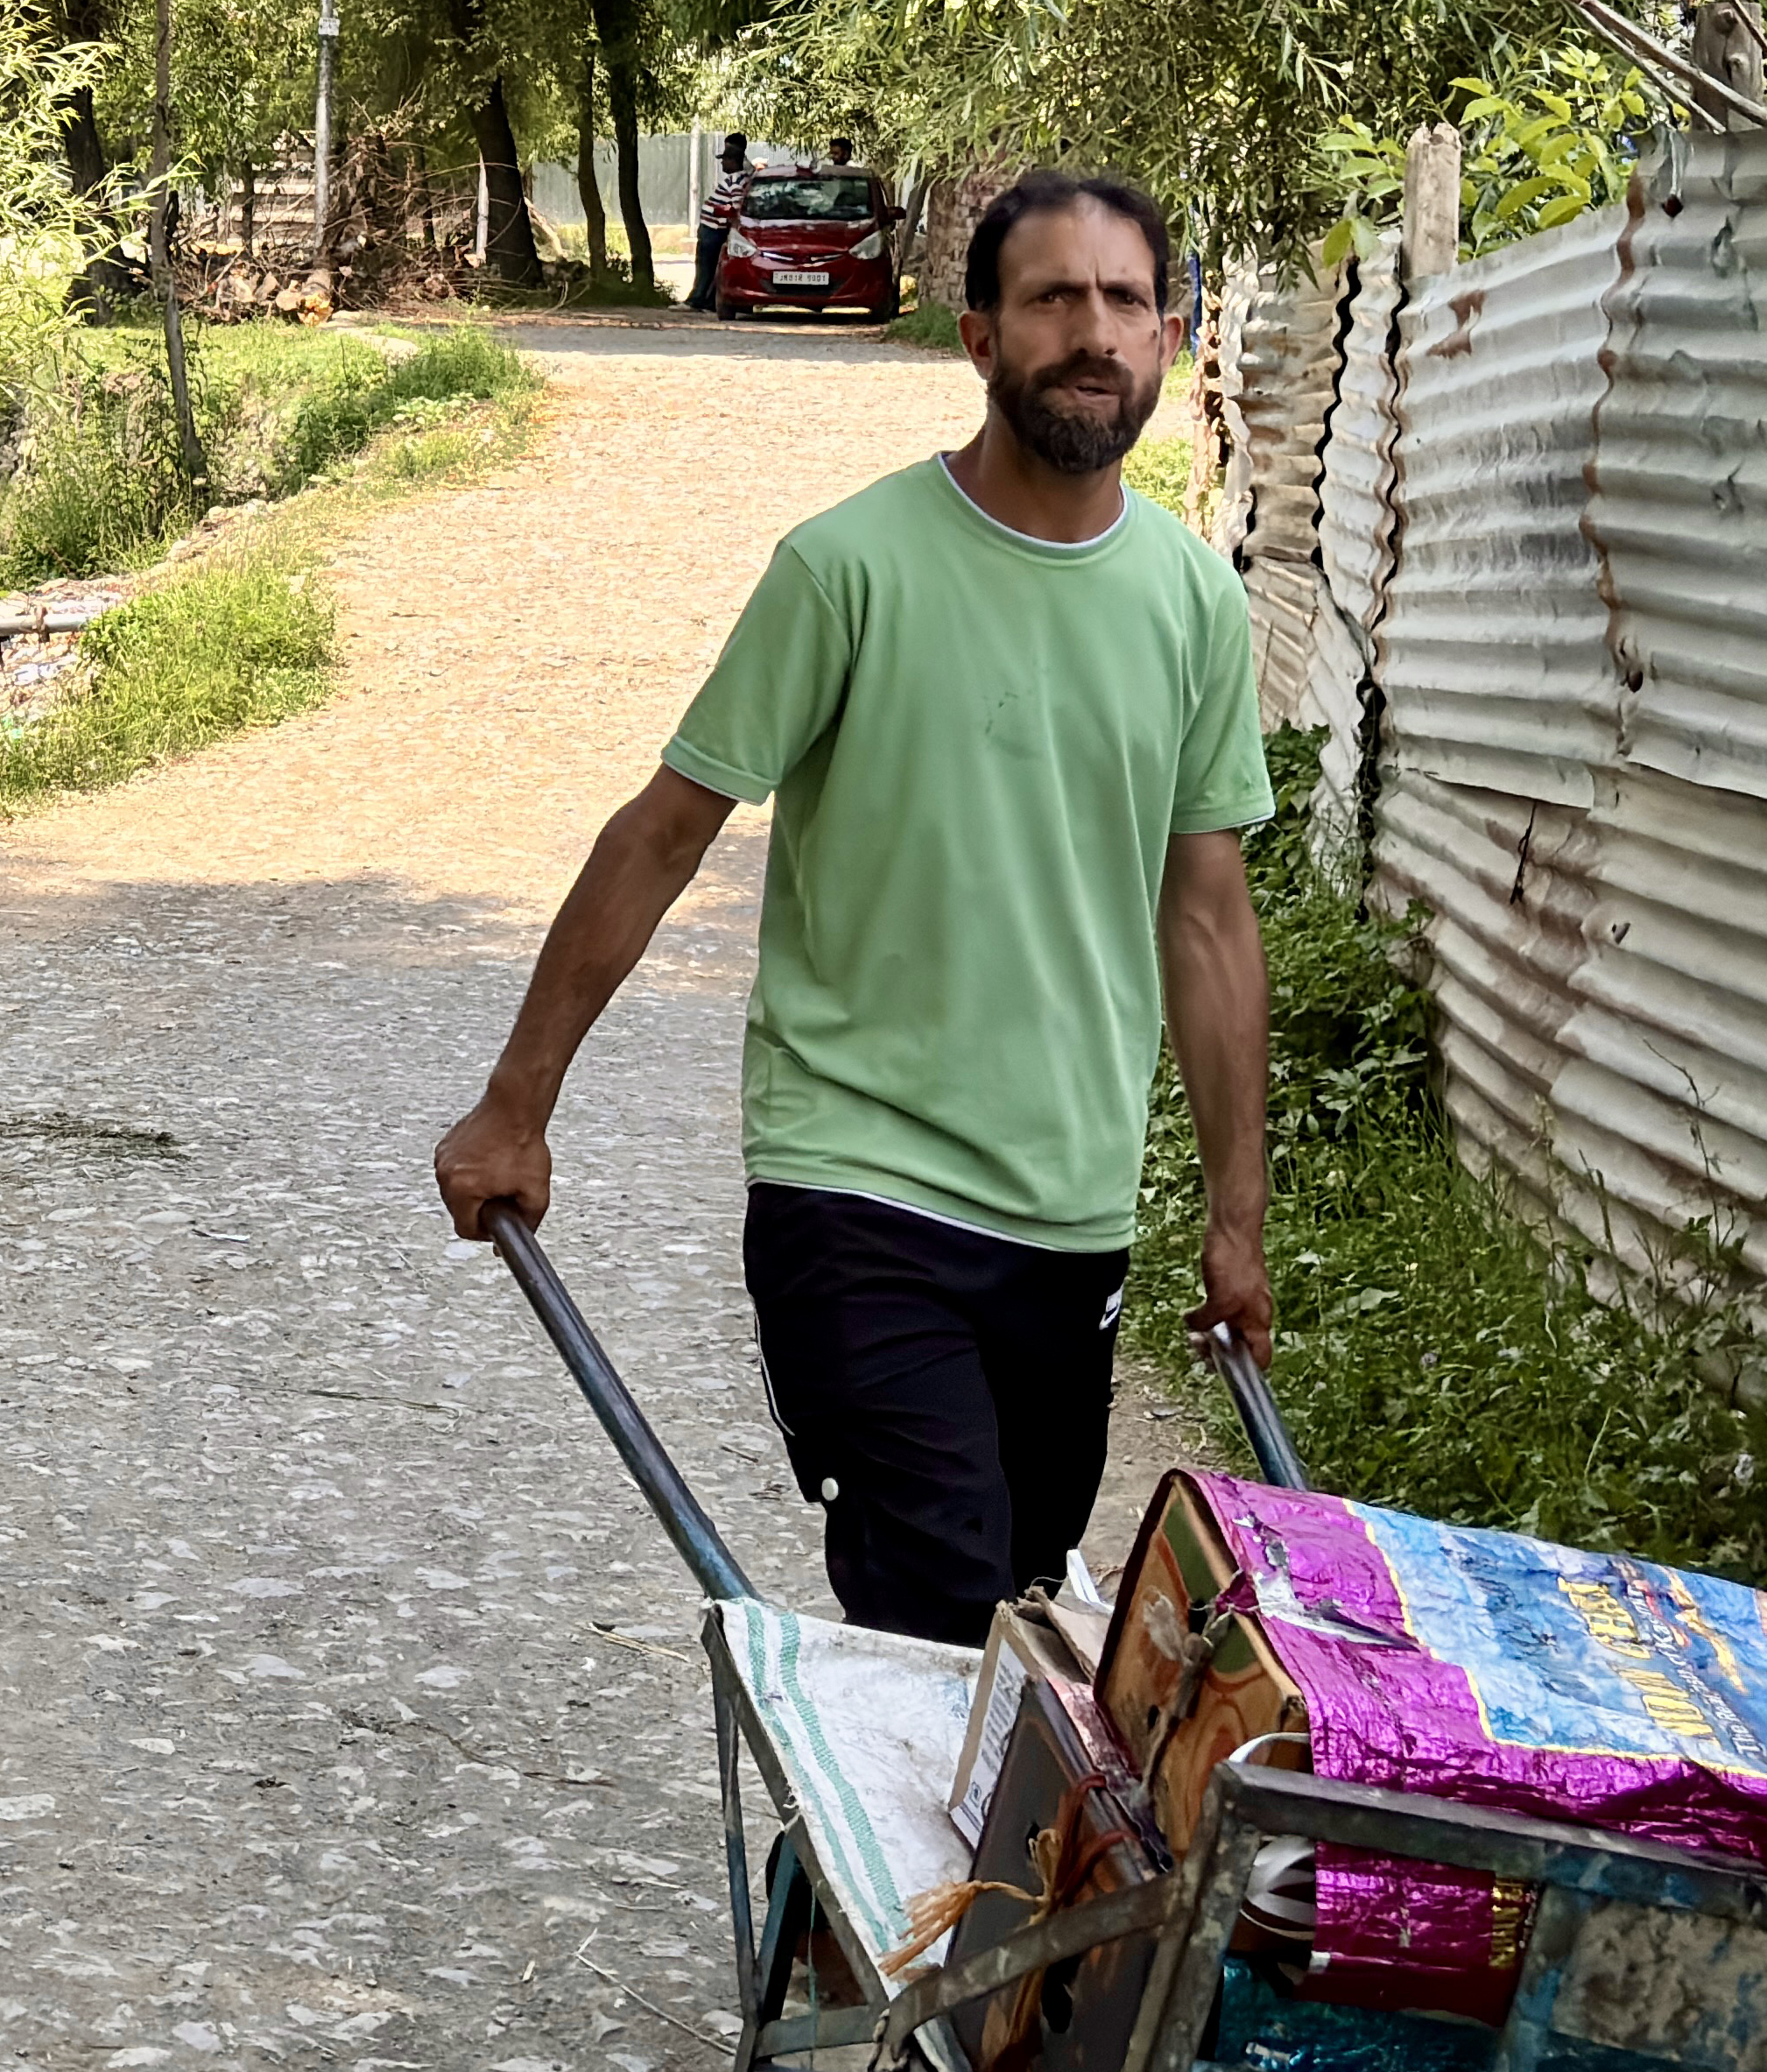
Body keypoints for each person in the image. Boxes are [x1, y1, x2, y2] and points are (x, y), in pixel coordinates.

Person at [427, 171, 1272, 1639]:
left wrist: (1237, 1217)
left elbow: (1206, 921)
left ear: (1171, 336)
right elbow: (664, 834)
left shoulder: (1195, 604)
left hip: (1069, 1209)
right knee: (943, 1601)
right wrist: (516, 1102)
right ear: (979, 338)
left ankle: (870, 1884)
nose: (1093, 332)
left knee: (1015, 1626)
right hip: (856, 1185)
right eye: (1052, 299)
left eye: (1125, 301)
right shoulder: (851, 569)